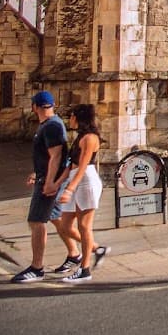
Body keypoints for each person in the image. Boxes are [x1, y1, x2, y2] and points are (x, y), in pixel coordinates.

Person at [10, 91, 72, 283]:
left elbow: (56, 156)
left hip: (48, 182)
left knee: (37, 222)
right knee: (55, 217)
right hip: (45, 178)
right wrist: (37, 173)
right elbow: (47, 157)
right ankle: (77, 253)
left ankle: (37, 268)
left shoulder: (52, 125)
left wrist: (49, 182)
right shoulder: (49, 125)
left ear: (35, 107)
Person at [54, 105, 111, 283]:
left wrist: (70, 189)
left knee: (84, 227)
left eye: (70, 116)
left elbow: (83, 167)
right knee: (64, 226)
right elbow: (70, 166)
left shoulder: (90, 138)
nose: (69, 119)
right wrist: (56, 185)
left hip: (86, 181)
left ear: (78, 117)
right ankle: (97, 249)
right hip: (75, 179)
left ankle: (84, 269)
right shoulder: (79, 137)